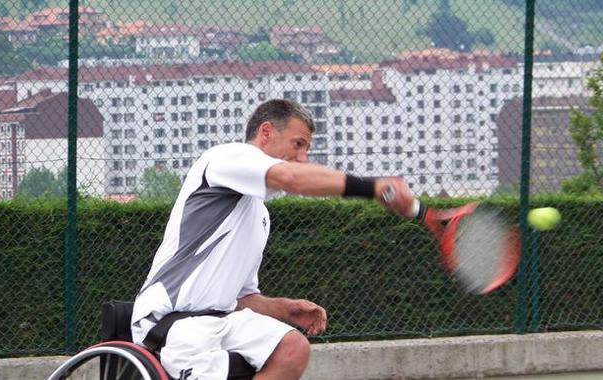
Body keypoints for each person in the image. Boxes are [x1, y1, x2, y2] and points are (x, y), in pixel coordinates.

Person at [130, 99, 414, 380]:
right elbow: (291, 177)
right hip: (171, 320)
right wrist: (374, 187)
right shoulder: (224, 158)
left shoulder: (260, 216)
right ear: (266, 132)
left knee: (292, 348)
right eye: (298, 144)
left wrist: (285, 308)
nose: (302, 157)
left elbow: (243, 298)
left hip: (221, 321)